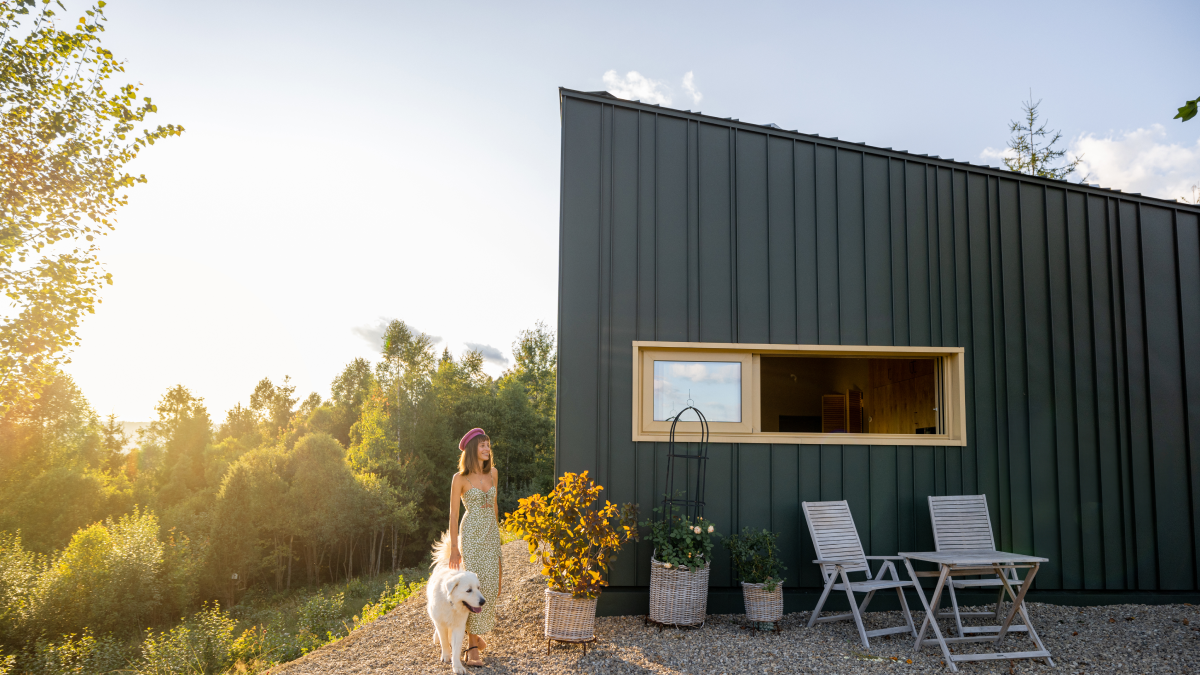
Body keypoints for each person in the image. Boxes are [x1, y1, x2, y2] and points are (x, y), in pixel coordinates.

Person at [447, 427, 502, 667]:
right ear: (472, 449)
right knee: (473, 589)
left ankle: (475, 637)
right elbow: (453, 515)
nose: (487, 449)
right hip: (470, 537)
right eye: (482, 445)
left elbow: (495, 507)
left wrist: (498, 537)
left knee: (490, 587)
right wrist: (454, 549)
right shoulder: (459, 478)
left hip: (491, 536)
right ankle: (471, 648)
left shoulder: (494, 473)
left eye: (488, 445)